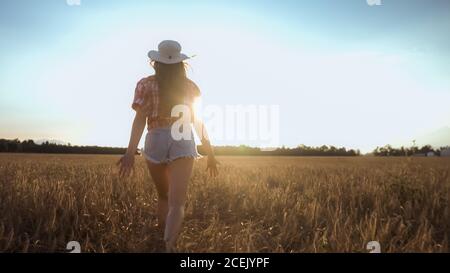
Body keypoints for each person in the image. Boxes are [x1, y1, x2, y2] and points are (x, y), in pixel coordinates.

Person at [117, 40, 219, 252]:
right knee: (177, 202)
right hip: (182, 136)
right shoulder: (191, 87)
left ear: (156, 62)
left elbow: (139, 120)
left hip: (155, 137)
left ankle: (163, 235)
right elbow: (198, 122)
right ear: (181, 63)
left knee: (163, 195)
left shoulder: (145, 84)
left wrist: (130, 153)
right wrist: (209, 153)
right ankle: (169, 244)